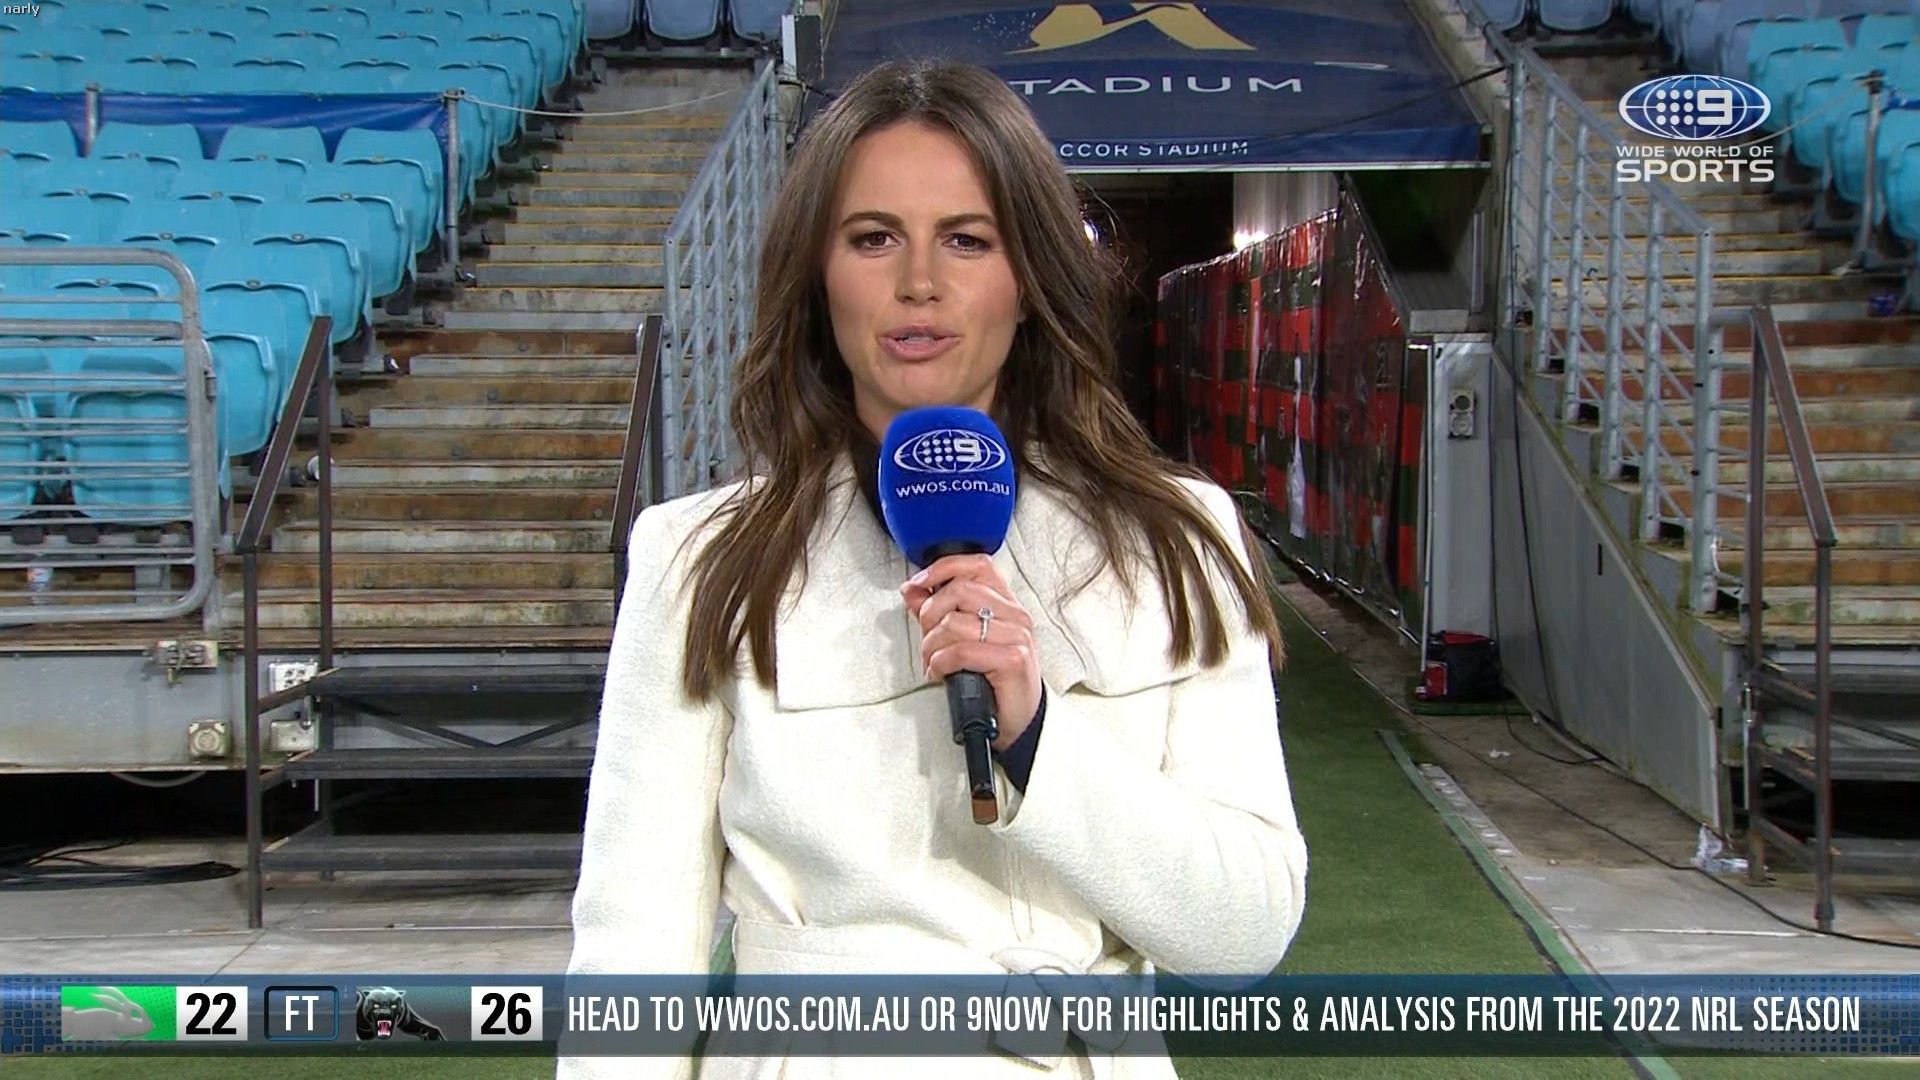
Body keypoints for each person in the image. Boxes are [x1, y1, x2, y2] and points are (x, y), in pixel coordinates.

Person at [559, 58, 1308, 1080]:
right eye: (873, 238)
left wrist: (1039, 737)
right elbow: (632, 958)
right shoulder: (697, 561)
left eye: (967, 239)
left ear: (1029, 279)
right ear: (818, 277)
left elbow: (1245, 931)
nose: (920, 281)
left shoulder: (1179, 541)